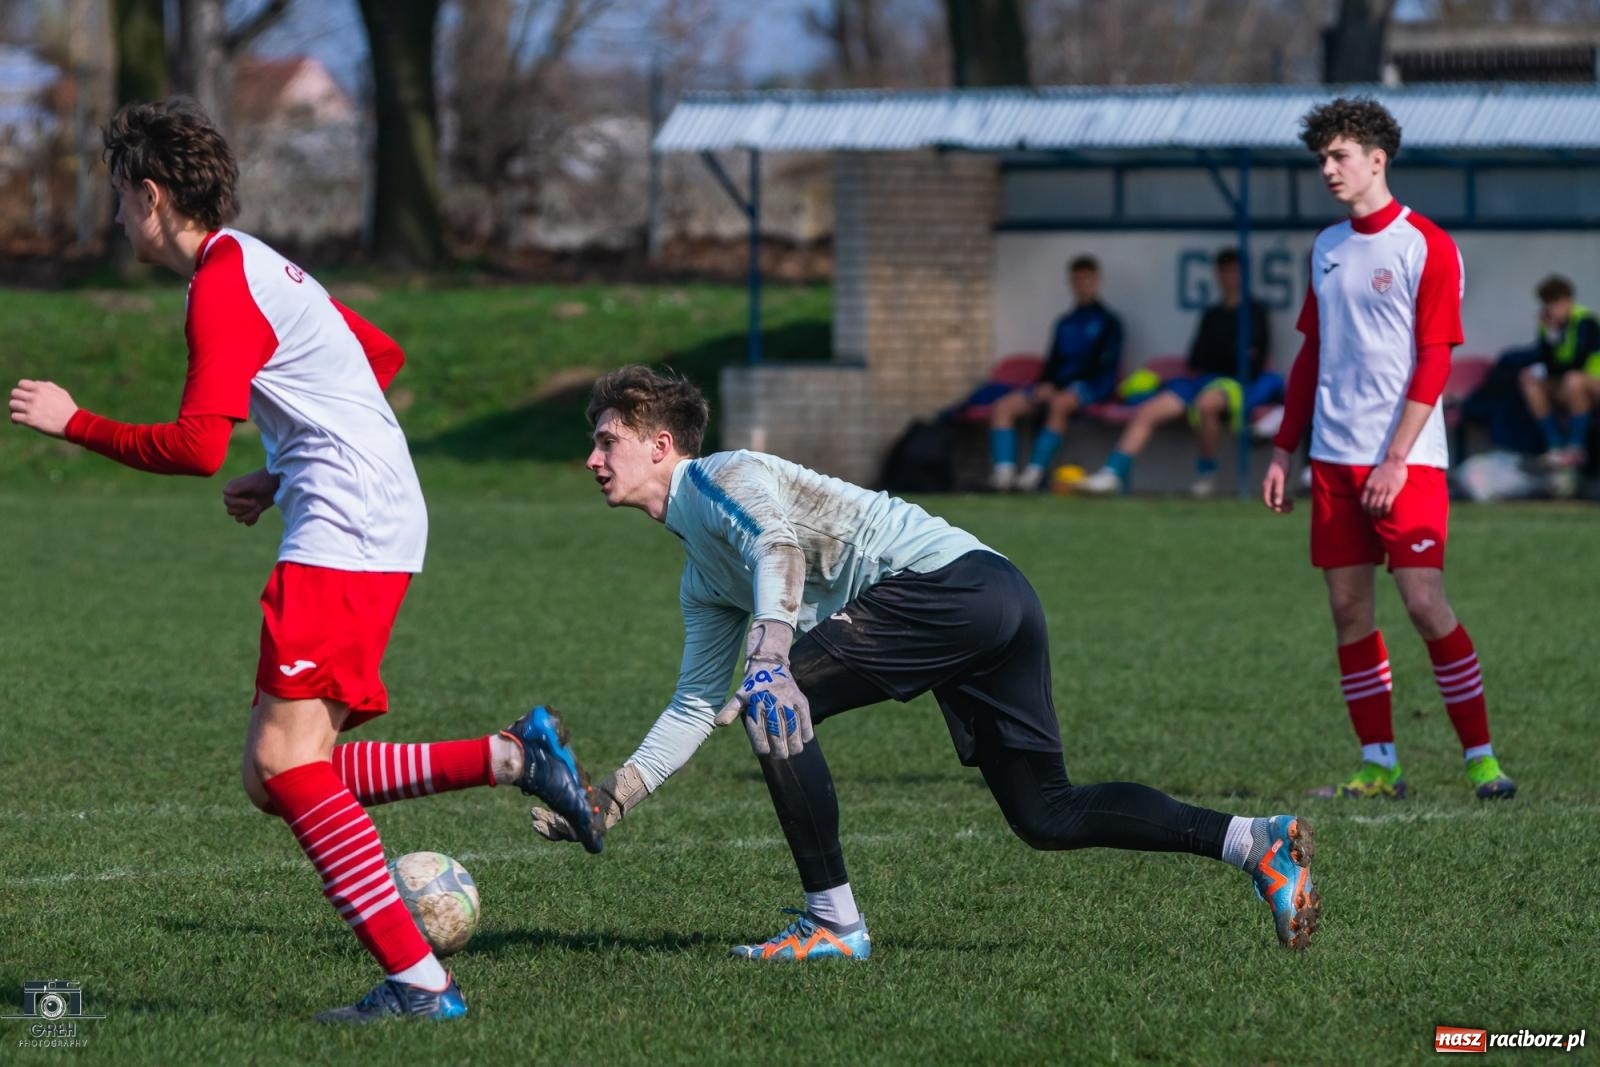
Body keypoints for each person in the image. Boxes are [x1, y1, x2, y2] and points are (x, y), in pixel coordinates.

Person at [6, 98, 603, 1023]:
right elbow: (377, 355)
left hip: (348, 529)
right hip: (359, 518)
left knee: (289, 765)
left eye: (120, 197)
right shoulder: (253, 262)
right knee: (275, 773)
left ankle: (421, 984)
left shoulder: (221, 284)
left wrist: (74, 421)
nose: (117, 217)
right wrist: (286, 467)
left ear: (153, 195)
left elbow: (197, 446)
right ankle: (512, 755)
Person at [528, 364, 1321, 960]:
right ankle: (1255, 841)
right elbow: (697, 702)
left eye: (607, 441)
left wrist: (770, 659)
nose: (593, 458)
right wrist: (612, 797)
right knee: (1046, 813)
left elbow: (777, 546)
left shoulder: (719, 477)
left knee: (776, 700)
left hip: (954, 588)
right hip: (994, 594)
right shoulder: (702, 575)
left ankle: (834, 923)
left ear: (660, 445)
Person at [1261, 96, 1516, 802]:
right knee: (1349, 611)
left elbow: (1436, 358)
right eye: (1322, 158)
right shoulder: (1326, 247)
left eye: (1339, 155)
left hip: (1409, 462)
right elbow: (1310, 355)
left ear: (1377, 159)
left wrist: (1397, 456)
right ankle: (1379, 765)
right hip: (1333, 460)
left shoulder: (1425, 244)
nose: (1328, 169)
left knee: (1425, 604)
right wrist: (1283, 449)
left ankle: (1482, 760)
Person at [1079, 248, 1277, 497]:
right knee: (1149, 411)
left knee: (1206, 405)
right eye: (1224, 271)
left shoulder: (1255, 313)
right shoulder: (1212, 314)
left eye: (1234, 271)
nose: (1229, 277)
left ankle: (1206, 475)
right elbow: (1196, 357)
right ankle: (1112, 473)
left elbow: (1253, 361)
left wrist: (1226, 357)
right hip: (1201, 380)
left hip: (1233, 384)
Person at [987, 255, 1123, 492]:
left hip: (1091, 387)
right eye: (1077, 279)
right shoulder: (1065, 322)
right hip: (1057, 385)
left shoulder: (1110, 322)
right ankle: (1004, 474)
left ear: (1096, 281)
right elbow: (1053, 361)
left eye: (1087, 279)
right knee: (1003, 407)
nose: (1082, 284)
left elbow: (1101, 365)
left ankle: (1033, 474)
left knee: (1060, 403)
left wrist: (1059, 387)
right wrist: (1045, 384)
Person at [1519, 274, 1600, 471]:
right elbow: (1544, 359)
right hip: (1567, 384)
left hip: (1592, 383)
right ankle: (1556, 446)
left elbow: (1577, 363)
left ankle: (1576, 447)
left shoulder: (1585, 321)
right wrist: (1552, 334)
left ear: (1568, 300)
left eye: (1557, 303)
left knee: (1574, 381)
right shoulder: (1549, 326)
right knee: (1528, 380)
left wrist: (1548, 369)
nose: (1553, 309)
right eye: (1549, 304)